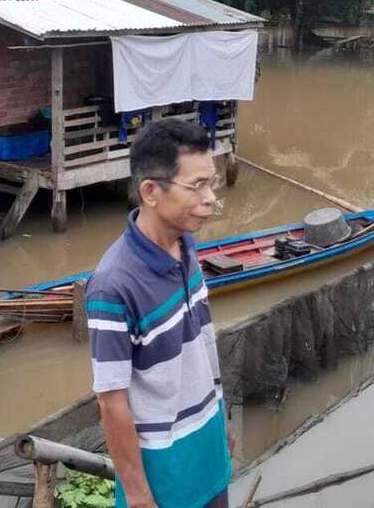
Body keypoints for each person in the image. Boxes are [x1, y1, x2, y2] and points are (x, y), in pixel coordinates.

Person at [86, 119, 233, 508]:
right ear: (150, 191)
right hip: (164, 471)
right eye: (197, 185)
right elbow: (111, 401)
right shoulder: (112, 286)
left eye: (211, 182)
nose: (210, 198)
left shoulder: (187, 245)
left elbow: (202, 348)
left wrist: (221, 425)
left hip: (208, 449)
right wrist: (138, 496)